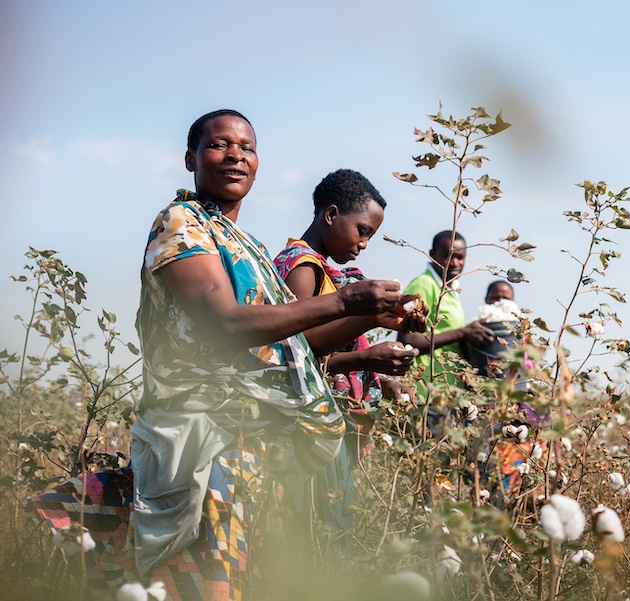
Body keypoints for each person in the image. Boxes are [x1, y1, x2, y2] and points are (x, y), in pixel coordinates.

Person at [34, 110, 412, 601]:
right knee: (203, 578)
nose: (235, 155)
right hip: (202, 438)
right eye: (219, 145)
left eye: (246, 148)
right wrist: (345, 301)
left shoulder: (247, 245)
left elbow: (296, 348)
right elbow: (225, 324)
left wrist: (371, 314)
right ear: (190, 158)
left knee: (249, 581)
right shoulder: (180, 223)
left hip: (256, 447)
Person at [272, 168, 420, 553]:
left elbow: (329, 351)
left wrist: (380, 377)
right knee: (319, 542)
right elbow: (297, 354)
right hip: (306, 427)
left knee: (330, 535)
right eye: (362, 231)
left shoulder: (323, 271)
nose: (364, 244)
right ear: (332, 214)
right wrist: (369, 351)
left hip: (325, 423)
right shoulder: (303, 267)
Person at [397, 231, 494, 389]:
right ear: (432, 255)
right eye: (447, 256)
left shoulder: (450, 289)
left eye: (460, 257)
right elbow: (408, 341)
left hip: (446, 388)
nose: (454, 263)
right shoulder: (424, 285)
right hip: (426, 387)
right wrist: (462, 333)